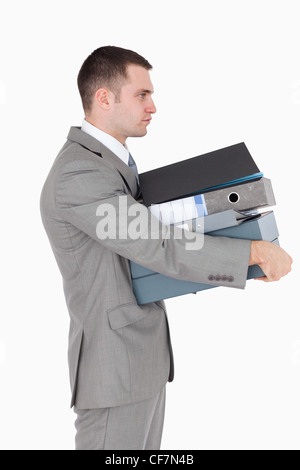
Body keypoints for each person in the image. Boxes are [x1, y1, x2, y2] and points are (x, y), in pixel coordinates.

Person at [40, 46, 293, 450]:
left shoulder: (110, 161)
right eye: (142, 94)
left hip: (139, 362)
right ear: (104, 98)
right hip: (115, 373)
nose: (153, 106)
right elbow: (153, 240)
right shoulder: (79, 173)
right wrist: (250, 254)